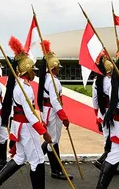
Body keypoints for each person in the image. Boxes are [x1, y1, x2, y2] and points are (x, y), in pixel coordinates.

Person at [0, 36, 51, 189]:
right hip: (27, 127)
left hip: (19, 125)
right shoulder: (25, 88)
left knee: (20, 157)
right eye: (32, 70)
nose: (34, 73)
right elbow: (29, 114)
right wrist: (43, 132)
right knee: (38, 160)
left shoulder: (17, 85)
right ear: (26, 71)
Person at [38, 40, 73, 180]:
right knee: (53, 141)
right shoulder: (53, 81)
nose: (59, 69)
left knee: (51, 140)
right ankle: (55, 170)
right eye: (58, 67)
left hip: (47, 112)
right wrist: (64, 117)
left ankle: (41, 158)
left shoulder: (46, 79)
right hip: (52, 113)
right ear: (53, 67)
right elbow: (55, 101)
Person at [92, 52, 119, 175]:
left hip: (103, 113)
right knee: (112, 142)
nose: (111, 74)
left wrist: (97, 115)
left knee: (108, 139)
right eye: (110, 72)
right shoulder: (111, 82)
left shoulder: (96, 81)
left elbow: (94, 100)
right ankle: (104, 162)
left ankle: (109, 164)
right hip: (113, 113)